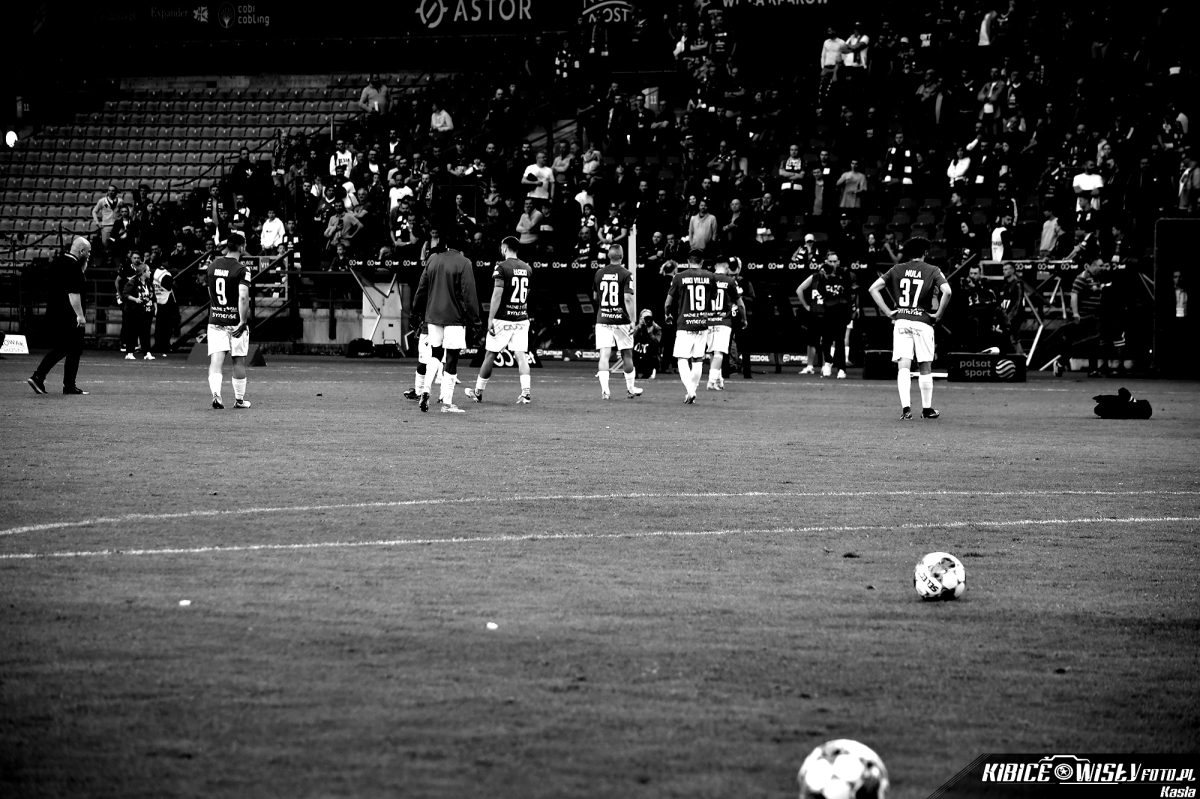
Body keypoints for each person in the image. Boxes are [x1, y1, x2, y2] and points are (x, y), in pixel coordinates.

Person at [868, 237, 952, 420]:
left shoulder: (896, 269)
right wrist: (938, 314)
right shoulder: (933, 270)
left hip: (902, 321)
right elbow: (947, 291)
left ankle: (906, 410)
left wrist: (888, 312)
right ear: (926, 252)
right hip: (923, 321)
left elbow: (873, 289)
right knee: (925, 365)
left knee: (903, 366)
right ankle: (926, 409)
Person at [411, 227, 481, 413]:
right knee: (451, 358)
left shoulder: (433, 259)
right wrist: (476, 321)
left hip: (433, 316)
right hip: (454, 317)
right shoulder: (464, 262)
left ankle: (426, 390)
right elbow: (469, 294)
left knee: (435, 354)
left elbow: (421, 288)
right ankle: (447, 403)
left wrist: (415, 312)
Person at [464, 237, 534, 405]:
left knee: (490, 354)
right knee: (521, 355)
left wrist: (490, 318)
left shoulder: (501, 267)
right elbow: (527, 293)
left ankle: (478, 392)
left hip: (503, 318)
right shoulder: (528, 268)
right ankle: (526, 392)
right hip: (521, 318)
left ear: (504, 248)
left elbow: (497, 295)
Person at [27, 237, 92, 395]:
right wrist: (80, 315)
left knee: (69, 348)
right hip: (69, 315)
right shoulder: (73, 266)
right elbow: (73, 292)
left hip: (55, 312)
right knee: (69, 348)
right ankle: (40, 377)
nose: (89, 255)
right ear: (81, 251)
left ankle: (65, 384)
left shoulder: (59, 262)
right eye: (88, 252)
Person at [205, 232, 253, 409]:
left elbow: (210, 293)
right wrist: (243, 321)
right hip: (235, 321)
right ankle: (239, 400)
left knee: (216, 360)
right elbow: (243, 296)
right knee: (238, 361)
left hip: (216, 320)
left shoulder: (212, 266)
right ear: (242, 247)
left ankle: (216, 395)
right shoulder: (242, 269)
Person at [593, 244, 642, 400]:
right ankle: (630, 389)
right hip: (621, 320)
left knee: (604, 355)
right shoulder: (626, 274)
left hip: (603, 318)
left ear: (609, 255)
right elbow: (628, 298)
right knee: (627, 354)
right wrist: (633, 320)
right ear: (622, 255)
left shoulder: (599, 273)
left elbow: (595, 297)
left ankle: (605, 391)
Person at [665, 250, 714, 404]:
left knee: (682, 358)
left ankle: (690, 391)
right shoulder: (710, 276)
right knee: (698, 359)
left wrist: (667, 314)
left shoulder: (679, 277)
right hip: (702, 323)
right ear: (702, 262)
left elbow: (668, 302)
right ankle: (693, 390)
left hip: (684, 323)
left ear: (688, 261)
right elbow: (713, 298)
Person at [800, 251, 855, 379]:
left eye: (835, 261)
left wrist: (852, 309)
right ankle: (828, 362)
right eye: (830, 261)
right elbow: (821, 291)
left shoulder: (845, 273)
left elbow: (850, 292)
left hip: (842, 311)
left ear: (838, 262)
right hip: (828, 311)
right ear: (826, 262)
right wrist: (826, 277)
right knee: (825, 340)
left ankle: (841, 369)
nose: (833, 264)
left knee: (840, 340)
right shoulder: (822, 275)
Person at [705, 257, 746, 391]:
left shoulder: (707, 279)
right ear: (727, 267)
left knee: (712, 352)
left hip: (708, 321)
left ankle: (719, 380)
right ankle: (711, 381)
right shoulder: (730, 281)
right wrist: (744, 319)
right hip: (723, 321)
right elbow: (740, 304)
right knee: (719, 353)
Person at [121, 259, 155, 360]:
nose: (150, 272)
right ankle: (129, 352)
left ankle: (147, 352)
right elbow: (125, 294)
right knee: (132, 332)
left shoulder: (149, 283)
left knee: (145, 332)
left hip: (146, 310)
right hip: (133, 310)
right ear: (143, 272)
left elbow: (153, 296)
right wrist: (135, 299)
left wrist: (155, 306)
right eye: (148, 271)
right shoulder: (133, 281)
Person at [997, 262, 1027, 355]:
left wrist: (1009, 318)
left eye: (1006, 269)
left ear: (1013, 270)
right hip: (1006, 316)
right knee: (1007, 340)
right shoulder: (1005, 286)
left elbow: (1017, 304)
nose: (1004, 271)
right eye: (1003, 269)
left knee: (1014, 340)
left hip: (1015, 317)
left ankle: (1021, 359)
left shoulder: (1018, 284)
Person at [152, 257, 179, 355]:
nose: (169, 264)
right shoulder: (166, 274)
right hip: (167, 301)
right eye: (168, 262)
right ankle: (164, 345)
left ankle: (158, 345)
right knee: (167, 326)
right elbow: (171, 286)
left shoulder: (156, 272)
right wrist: (174, 284)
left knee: (159, 325)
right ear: (163, 262)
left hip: (158, 300)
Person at [633, 309, 662, 379]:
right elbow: (631, 340)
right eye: (644, 318)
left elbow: (656, 343)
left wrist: (650, 332)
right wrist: (639, 328)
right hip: (637, 354)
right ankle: (633, 370)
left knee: (652, 356)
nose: (647, 320)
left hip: (650, 356)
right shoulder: (636, 328)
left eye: (648, 317)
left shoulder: (657, 329)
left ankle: (651, 370)